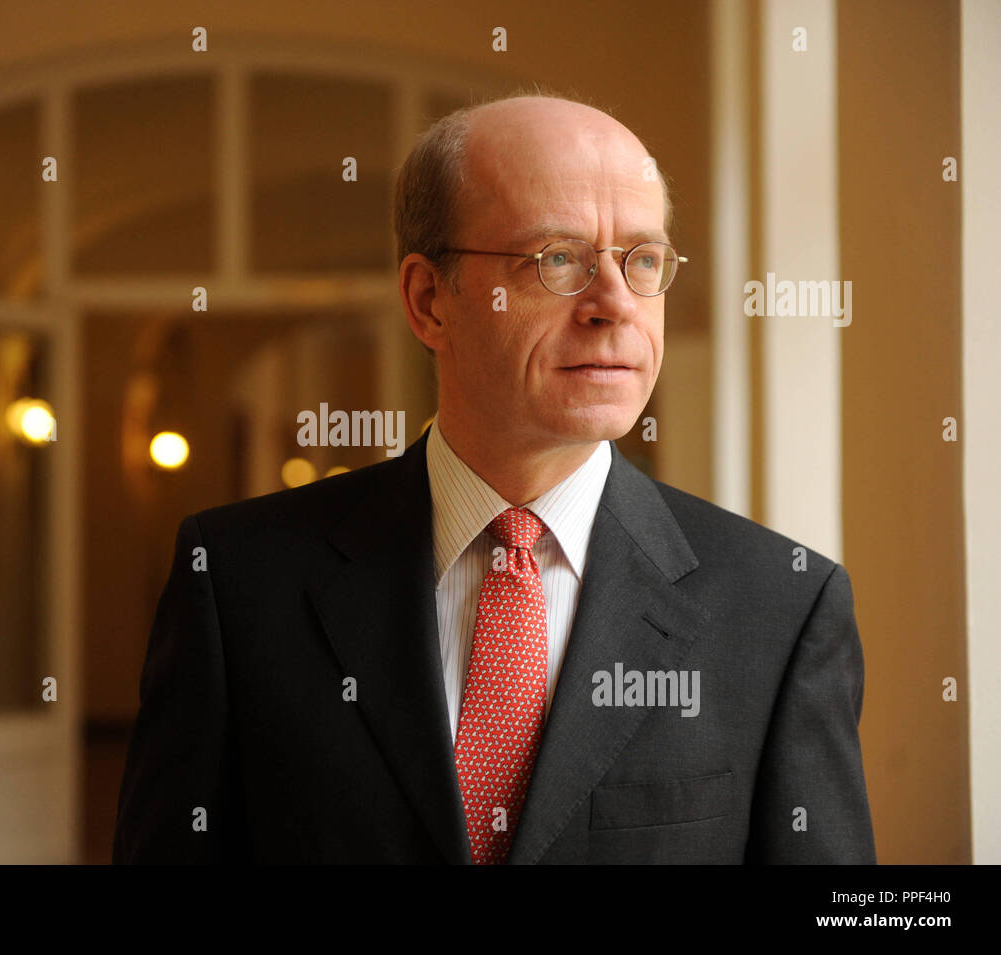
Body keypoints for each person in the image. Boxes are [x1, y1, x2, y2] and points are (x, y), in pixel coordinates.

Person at [112, 93, 877, 864]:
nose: (615, 304)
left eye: (642, 260)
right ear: (427, 300)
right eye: (558, 260)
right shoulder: (238, 581)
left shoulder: (781, 610)